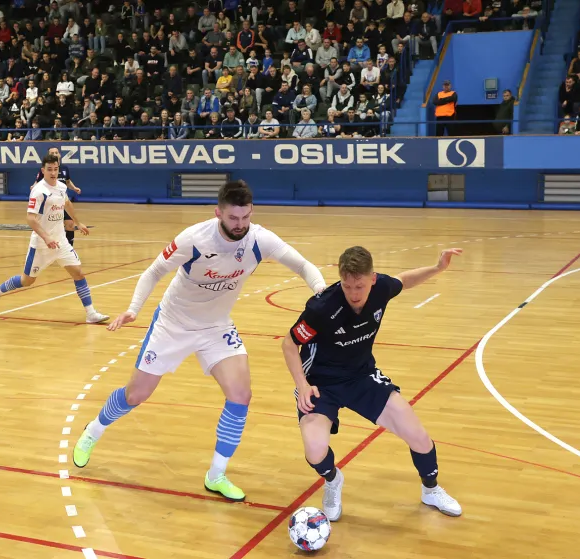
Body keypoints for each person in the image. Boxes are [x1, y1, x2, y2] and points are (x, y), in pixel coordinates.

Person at [73, 180, 328, 501]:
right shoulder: (194, 239)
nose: (240, 225)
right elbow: (152, 272)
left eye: (246, 218)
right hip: (173, 323)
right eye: (234, 219)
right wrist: (134, 309)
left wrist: (322, 293)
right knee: (136, 394)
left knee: (241, 395)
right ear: (218, 212)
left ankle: (216, 475)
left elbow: (303, 265)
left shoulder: (260, 239)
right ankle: (93, 431)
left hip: (215, 327)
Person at [282, 245, 463, 521]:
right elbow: (289, 343)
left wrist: (438, 268)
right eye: (347, 286)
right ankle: (332, 480)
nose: (354, 294)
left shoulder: (381, 289)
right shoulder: (322, 307)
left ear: (373, 279)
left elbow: (404, 280)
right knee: (315, 451)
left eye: (360, 286)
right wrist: (302, 384)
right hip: (322, 384)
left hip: (361, 376)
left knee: (418, 435)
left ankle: (431, 490)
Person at [0, 153, 109, 324]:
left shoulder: (61, 187)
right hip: (42, 245)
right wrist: (46, 238)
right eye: (49, 169)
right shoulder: (39, 191)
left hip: (61, 241)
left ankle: (91, 313)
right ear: (43, 170)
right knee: (27, 280)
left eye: (55, 169)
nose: (53, 172)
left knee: (78, 273)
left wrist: (78, 224)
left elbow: (67, 204)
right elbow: (30, 218)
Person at [35, 147, 82, 246]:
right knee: (51, 227)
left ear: (60, 155)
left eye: (56, 152)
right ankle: (47, 244)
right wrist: (33, 187)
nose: (55, 154)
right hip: (50, 203)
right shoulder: (45, 170)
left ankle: (68, 248)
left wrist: (74, 188)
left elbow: (68, 182)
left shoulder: (64, 168)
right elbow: (38, 182)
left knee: (70, 224)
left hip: (62, 201)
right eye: (52, 153)